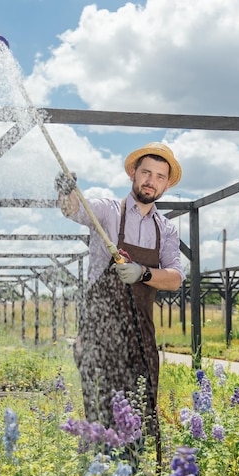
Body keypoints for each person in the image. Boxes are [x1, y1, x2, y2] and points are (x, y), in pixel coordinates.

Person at [56, 142, 185, 434]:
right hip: (100, 331)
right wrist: (66, 192)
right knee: (101, 409)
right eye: (146, 173)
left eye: (160, 176)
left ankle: (136, 471)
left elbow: (176, 277)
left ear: (166, 184)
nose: (151, 181)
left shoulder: (165, 229)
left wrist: (143, 273)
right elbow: (75, 210)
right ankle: (102, 470)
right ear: (133, 174)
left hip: (140, 332)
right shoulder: (108, 212)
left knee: (140, 408)